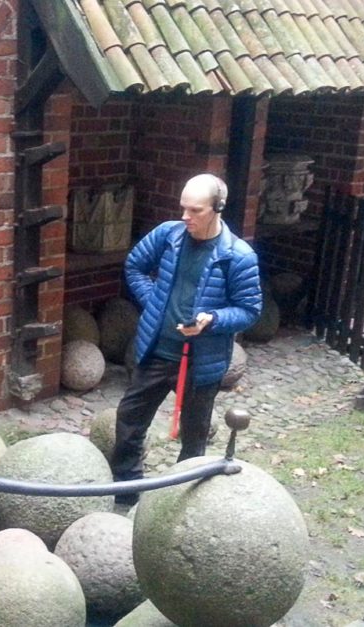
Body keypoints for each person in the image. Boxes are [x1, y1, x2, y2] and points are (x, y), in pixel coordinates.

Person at [111, 173, 262, 505]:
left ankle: (180, 502)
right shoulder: (169, 235)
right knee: (128, 421)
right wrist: (153, 301)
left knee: (194, 439)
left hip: (200, 364)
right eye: (183, 208)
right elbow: (135, 265)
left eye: (195, 211)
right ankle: (124, 492)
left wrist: (214, 319)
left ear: (217, 208)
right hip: (155, 352)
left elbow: (250, 310)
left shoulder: (238, 255)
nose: (185, 217)